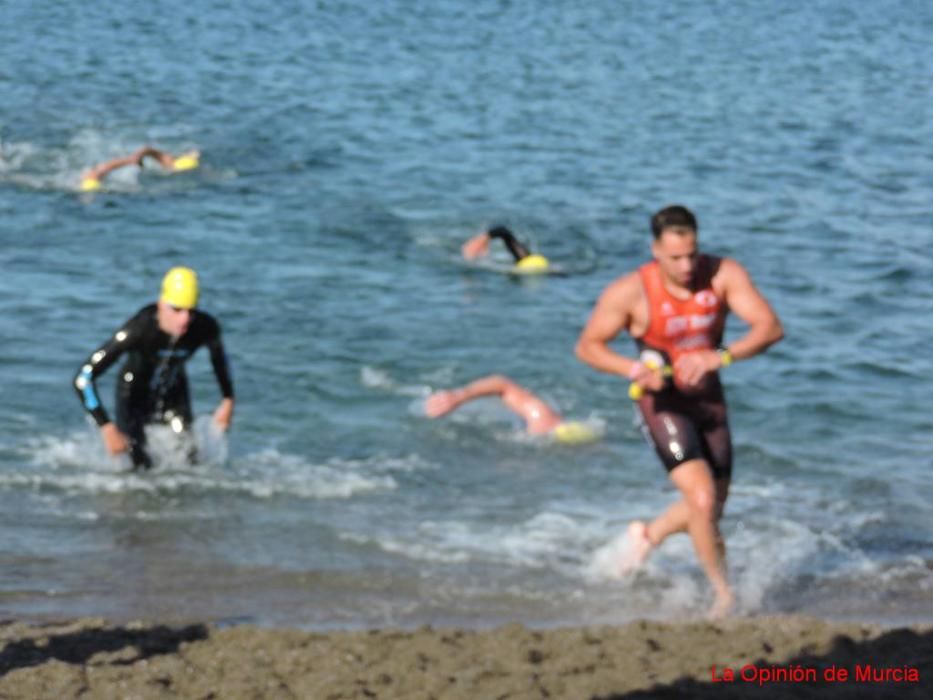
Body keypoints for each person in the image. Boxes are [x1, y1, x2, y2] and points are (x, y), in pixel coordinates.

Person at [575, 205, 783, 618]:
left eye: (692, 254)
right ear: (655, 250)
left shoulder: (724, 275)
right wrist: (633, 369)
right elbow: (587, 347)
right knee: (702, 499)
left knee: (709, 508)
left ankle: (648, 535)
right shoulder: (630, 292)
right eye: (675, 258)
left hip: (710, 401)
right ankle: (724, 596)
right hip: (662, 403)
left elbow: (770, 328)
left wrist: (719, 356)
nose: (687, 266)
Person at [73, 267, 234, 470]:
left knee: (191, 460)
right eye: (176, 310)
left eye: (190, 311)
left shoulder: (205, 327)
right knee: (139, 464)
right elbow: (83, 378)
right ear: (161, 305)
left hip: (174, 391)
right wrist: (106, 427)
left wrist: (228, 399)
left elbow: (220, 361)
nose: (184, 319)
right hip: (133, 394)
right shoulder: (139, 329)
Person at [425, 375, 598, 444]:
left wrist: (458, 397)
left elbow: (503, 385)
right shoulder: (541, 418)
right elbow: (502, 384)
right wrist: (458, 396)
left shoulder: (543, 423)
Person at [80, 146, 199, 192]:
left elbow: (101, 170)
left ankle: (133, 159)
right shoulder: (179, 165)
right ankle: (133, 158)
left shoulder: (89, 184)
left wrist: (133, 159)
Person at [461, 226, 551, 274]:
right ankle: (481, 240)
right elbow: (503, 231)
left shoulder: (525, 260)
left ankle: (482, 240)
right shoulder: (524, 258)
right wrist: (481, 240)